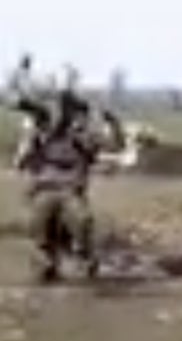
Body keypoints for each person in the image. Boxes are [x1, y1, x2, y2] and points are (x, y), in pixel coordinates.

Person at [15, 83, 124, 283]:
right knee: (39, 228)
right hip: (43, 189)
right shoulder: (41, 134)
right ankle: (47, 264)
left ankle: (85, 257)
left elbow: (115, 146)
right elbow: (22, 159)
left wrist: (113, 123)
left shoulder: (82, 137)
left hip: (70, 191)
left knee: (80, 222)